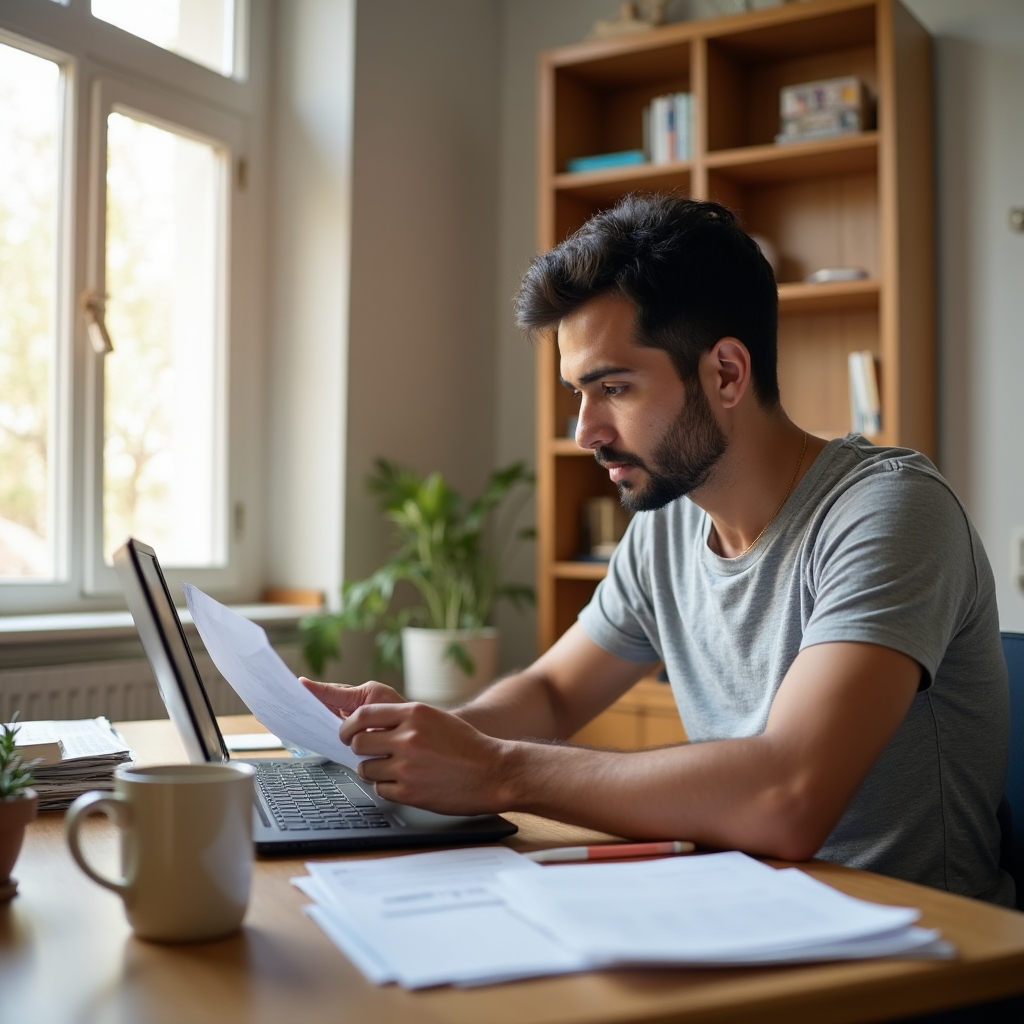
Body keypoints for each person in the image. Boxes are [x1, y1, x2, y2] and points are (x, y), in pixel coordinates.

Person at [303, 195, 1013, 906]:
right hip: (743, 907)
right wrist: (420, 739)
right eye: (579, 394)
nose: (585, 431)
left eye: (613, 387)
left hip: (920, 951)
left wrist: (497, 771)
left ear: (727, 374)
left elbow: (787, 795)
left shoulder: (888, 511)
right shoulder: (668, 521)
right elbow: (552, 694)